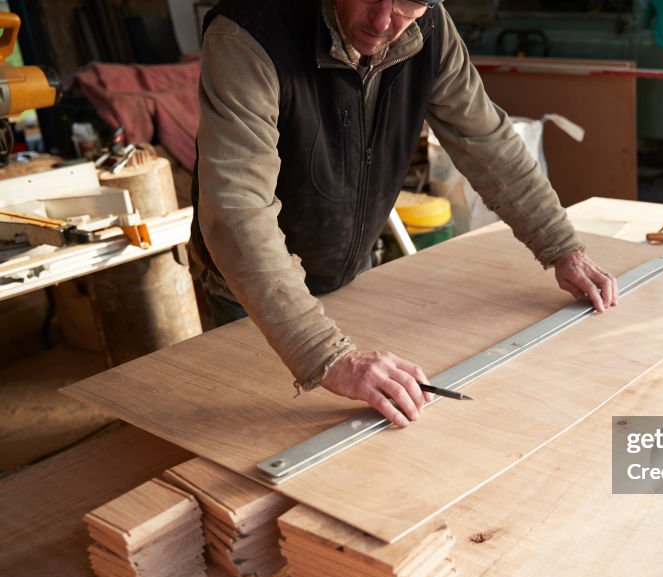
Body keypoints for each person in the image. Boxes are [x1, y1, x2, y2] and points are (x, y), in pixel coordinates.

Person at [190, 0, 618, 429]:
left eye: (407, 3)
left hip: (346, 275)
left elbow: (487, 142)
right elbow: (238, 211)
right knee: (250, 440)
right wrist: (326, 354)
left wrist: (561, 245)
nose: (382, 21)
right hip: (249, 294)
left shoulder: (430, 28)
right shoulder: (248, 36)